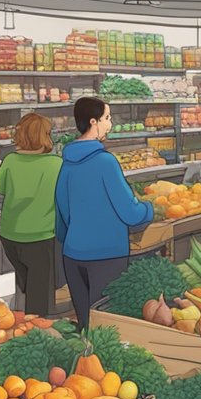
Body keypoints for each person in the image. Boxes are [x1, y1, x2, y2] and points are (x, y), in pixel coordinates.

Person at [56, 97, 154, 329]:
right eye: (107, 118)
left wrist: (73, 239)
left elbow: (62, 212)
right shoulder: (105, 162)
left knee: (85, 325)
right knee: (107, 327)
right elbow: (130, 212)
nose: (110, 124)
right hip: (106, 255)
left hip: (73, 256)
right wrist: (150, 210)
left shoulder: (67, 162)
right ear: (93, 122)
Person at [0, 112, 61, 317]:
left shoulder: (10, 161)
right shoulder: (56, 164)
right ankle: (36, 335)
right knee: (40, 299)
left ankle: (16, 322)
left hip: (9, 235)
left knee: (26, 284)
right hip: (40, 236)